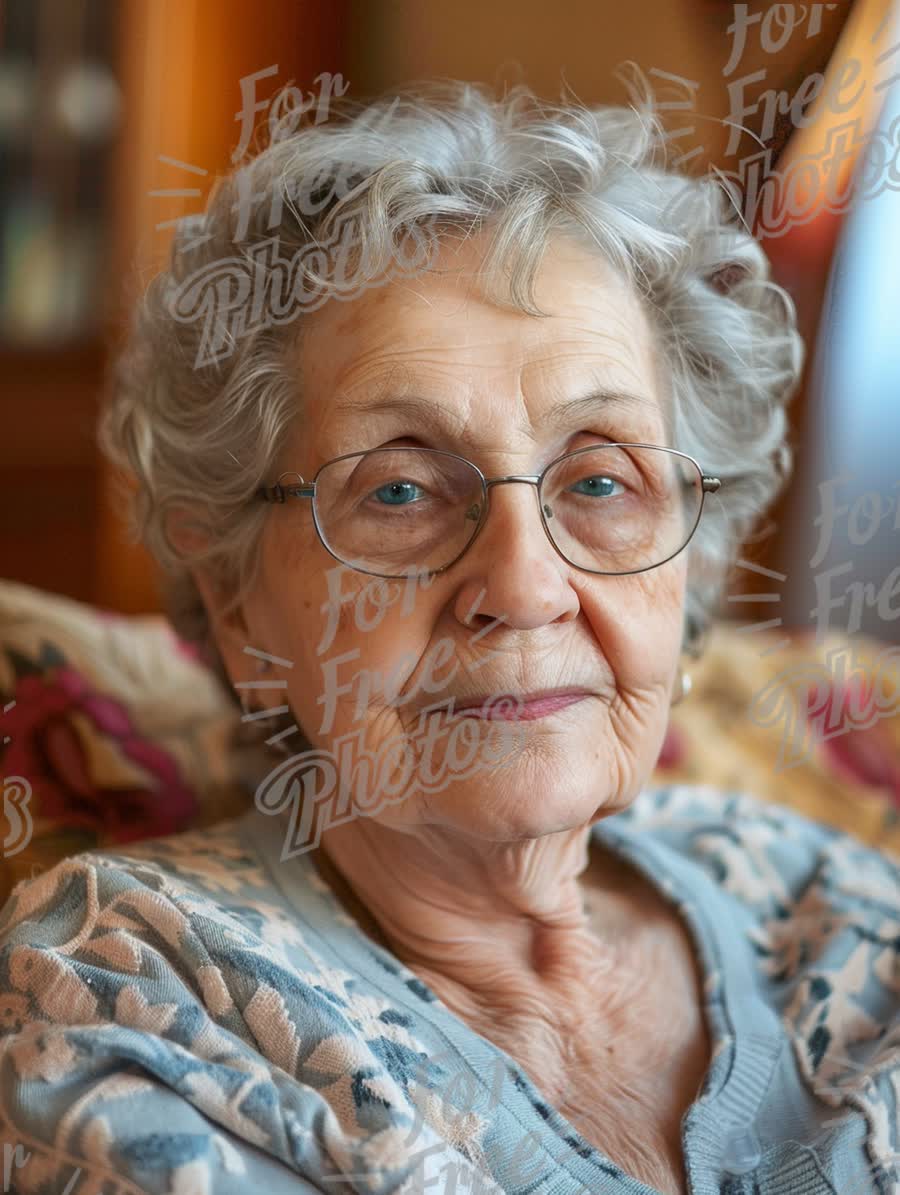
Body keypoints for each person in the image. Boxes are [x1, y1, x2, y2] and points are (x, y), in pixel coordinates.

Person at [0, 77, 897, 1195]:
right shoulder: (142, 994)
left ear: (692, 559)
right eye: (402, 491)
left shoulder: (838, 915)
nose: (523, 584)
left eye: (603, 478)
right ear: (238, 601)